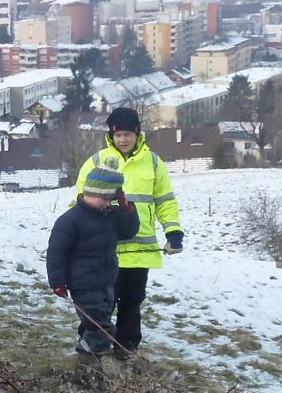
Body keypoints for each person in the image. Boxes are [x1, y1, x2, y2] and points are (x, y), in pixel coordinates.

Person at [73, 106, 183, 357]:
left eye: (127, 134)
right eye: (118, 135)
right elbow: (79, 200)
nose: (122, 139)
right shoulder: (97, 161)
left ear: (137, 134)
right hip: (106, 249)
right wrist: (79, 232)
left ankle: (126, 346)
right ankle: (91, 343)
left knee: (132, 302)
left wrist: (173, 231)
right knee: (101, 302)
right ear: (111, 136)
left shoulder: (153, 162)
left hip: (141, 251)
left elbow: (165, 200)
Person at [46, 166, 139, 356]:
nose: (108, 203)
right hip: (83, 284)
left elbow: (128, 232)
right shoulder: (70, 220)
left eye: (111, 199)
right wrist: (57, 282)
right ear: (91, 193)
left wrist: (126, 209)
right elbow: (56, 253)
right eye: (105, 199)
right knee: (101, 326)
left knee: (99, 322)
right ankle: (89, 358)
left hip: (107, 282)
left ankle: (89, 355)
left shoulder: (110, 216)